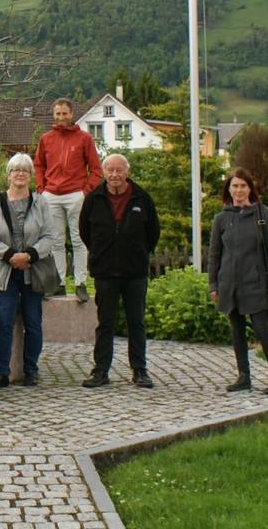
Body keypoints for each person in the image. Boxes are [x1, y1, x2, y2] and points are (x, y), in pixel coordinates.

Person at [78, 154, 160, 388]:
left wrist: (138, 253)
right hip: (105, 272)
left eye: (119, 170)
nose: (114, 175)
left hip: (134, 273)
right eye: (110, 170)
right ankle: (100, 371)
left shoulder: (142, 198)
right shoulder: (94, 199)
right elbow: (85, 231)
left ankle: (140, 370)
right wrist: (100, 253)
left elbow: (153, 232)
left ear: (127, 171)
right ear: (103, 172)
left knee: (137, 322)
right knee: (105, 323)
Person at [0, 153, 58, 389]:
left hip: (33, 271)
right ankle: (2, 372)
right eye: (15, 170)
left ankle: (31, 370)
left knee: (33, 323)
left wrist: (30, 255)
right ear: (8, 175)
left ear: (31, 175)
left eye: (25, 170)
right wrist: (10, 256)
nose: (20, 174)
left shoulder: (41, 202)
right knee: (3, 321)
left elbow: (49, 236)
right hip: (5, 272)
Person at [208, 168, 268, 395]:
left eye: (243, 186)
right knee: (236, 330)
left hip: (257, 283)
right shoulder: (221, 219)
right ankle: (244, 376)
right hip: (230, 284)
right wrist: (213, 284)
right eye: (235, 186)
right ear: (228, 190)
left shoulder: (264, 215)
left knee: (261, 329)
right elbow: (214, 254)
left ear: (250, 188)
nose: (239, 190)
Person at [33, 97, 103, 302]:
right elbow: (38, 165)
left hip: (76, 195)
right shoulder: (46, 138)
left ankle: (81, 283)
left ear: (72, 114)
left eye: (65, 113)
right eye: (58, 113)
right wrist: (41, 189)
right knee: (55, 241)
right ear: (53, 114)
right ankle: (59, 283)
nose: (61, 117)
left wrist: (85, 191)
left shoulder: (84, 138)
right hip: (51, 195)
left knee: (79, 239)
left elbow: (96, 169)